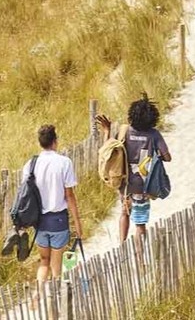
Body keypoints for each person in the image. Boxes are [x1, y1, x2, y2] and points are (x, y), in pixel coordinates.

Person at [96, 95, 171, 243]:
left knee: (125, 213)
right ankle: (139, 258)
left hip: (125, 184)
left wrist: (107, 131)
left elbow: (108, 152)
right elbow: (167, 157)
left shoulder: (125, 131)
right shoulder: (154, 134)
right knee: (140, 223)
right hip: (144, 185)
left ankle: (122, 245)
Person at [23, 124, 84, 284]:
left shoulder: (30, 165)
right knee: (56, 268)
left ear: (40, 143)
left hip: (39, 222)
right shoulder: (64, 163)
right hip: (58, 221)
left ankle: (39, 297)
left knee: (44, 262)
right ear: (55, 141)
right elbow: (69, 195)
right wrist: (77, 222)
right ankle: (53, 306)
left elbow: (26, 194)